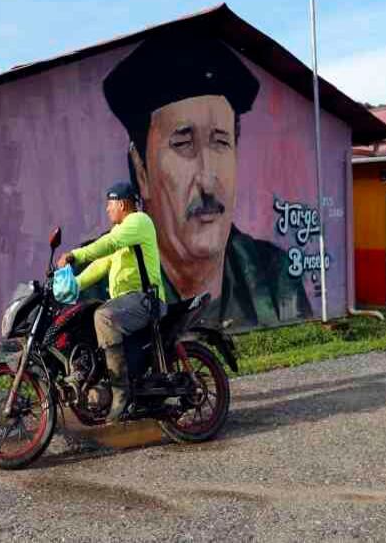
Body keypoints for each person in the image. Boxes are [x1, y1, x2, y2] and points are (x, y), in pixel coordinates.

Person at [101, 30, 311, 332]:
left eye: (221, 142)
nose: (209, 183)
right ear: (142, 170)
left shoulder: (274, 277)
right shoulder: (100, 287)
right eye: (183, 144)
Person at [57, 181, 167, 421]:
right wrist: (72, 284)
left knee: (103, 316)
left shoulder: (138, 222)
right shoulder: (123, 235)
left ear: (122, 204)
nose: (107, 209)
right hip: (128, 302)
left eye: (110, 204)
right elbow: (101, 265)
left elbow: (108, 243)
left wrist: (76, 255)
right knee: (86, 316)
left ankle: (120, 392)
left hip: (145, 300)